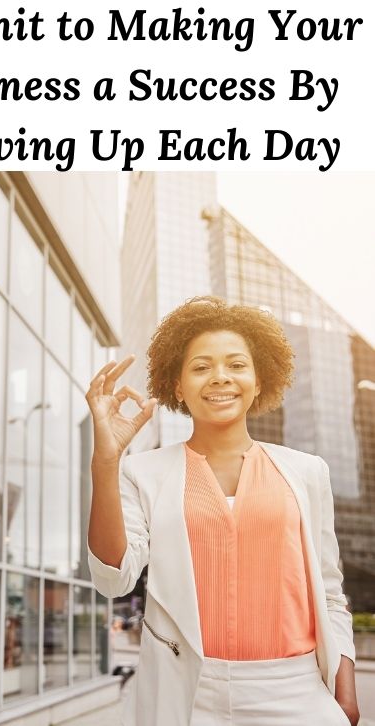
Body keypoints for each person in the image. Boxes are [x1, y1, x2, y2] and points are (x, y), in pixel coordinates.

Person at [86, 296, 360, 726]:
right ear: (177, 385)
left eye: (236, 364)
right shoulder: (143, 471)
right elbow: (112, 578)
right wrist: (106, 461)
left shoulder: (307, 472)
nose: (220, 378)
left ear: (257, 377)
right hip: (189, 694)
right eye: (200, 367)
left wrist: (345, 690)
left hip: (294, 689)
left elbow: (328, 591)